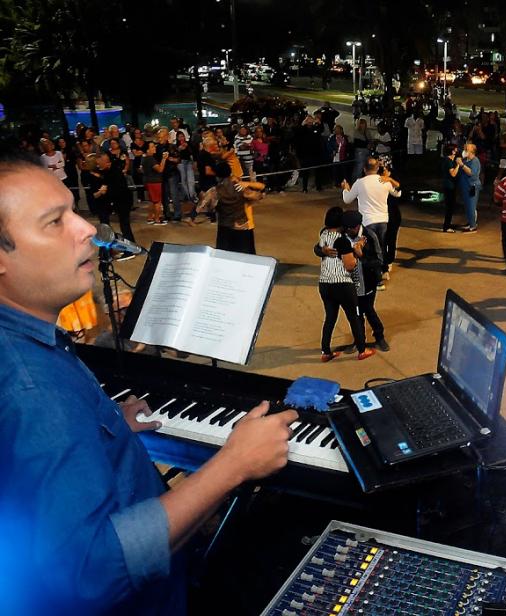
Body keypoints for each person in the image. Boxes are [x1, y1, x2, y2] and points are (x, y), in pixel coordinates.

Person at [0, 151, 297, 614]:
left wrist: (105, 427)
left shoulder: (24, 345)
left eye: (73, 210)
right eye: (55, 222)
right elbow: (90, 571)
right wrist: (233, 464)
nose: (88, 229)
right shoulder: (30, 390)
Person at [316, 206, 375, 362]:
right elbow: (349, 265)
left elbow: (318, 249)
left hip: (324, 283)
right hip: (342, 284)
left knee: (330, 318)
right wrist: (358, 249)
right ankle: (362, 350)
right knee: (354, 317)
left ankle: (325, 351)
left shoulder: (323, 234)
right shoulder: (341, 240)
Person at [341, 157, 401, 269]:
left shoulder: (360, 183)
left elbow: (347, 199)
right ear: (377, 168)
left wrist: (345, 189)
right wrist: (390, 179)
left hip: (367, 221)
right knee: (382, 246)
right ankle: (384, 269)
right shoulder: (384, 181)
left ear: (364, 169)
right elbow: (398, 193)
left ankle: (373, 272)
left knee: (370, 247)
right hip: (383, 219)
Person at [343, 210, 389, 352]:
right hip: (350, 283)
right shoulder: (343, 236)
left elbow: (379, 260)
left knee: (368, 310)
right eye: (346, 228)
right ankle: (358, 340)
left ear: (357, 226)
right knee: (356, 314)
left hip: (368, 281)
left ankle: (380, 337)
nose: (348, 230)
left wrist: (361, 256)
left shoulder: (369, 235)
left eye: (350, 228)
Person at [213, 162, 264, 254]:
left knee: (224, 255)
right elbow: (259, 194)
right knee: (246, 256)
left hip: (225, 226)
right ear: (230, 173)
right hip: (243, 227)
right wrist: (248, 183)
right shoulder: (240, 187)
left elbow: (207, 206)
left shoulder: (216, 190)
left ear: (217, 176)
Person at [457, 143, 481, 232]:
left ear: (472, 151)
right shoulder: (466, 160)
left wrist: (462, 165)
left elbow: (472, 173)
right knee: (467, 206)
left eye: (466, 149)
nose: (464, 151)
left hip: (472, 186)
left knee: (471, 206)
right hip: (465, 186)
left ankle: (473, 226)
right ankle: (470, 222)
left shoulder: (475, 161)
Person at [441, 143, 461, 233]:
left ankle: (448, 223)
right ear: (452, 151)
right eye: (455, 149)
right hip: (448, 186)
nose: (456, 151)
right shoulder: (447, 161)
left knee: (451, 206)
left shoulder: (451, 160)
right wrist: (458, 165)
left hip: (452, 185)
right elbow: (453, 174)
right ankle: (446, 226)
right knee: (449, 207)